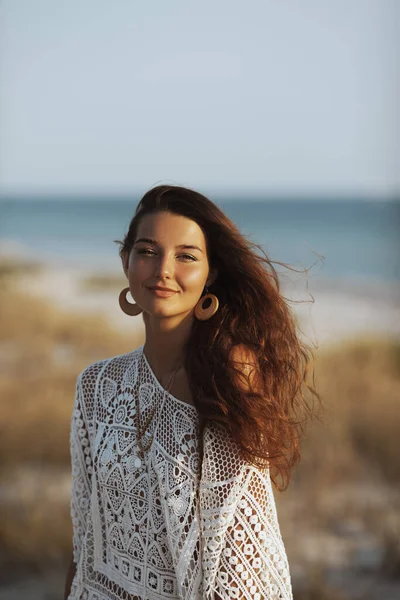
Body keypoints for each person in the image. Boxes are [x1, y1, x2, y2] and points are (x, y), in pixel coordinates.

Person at [64, 184, 317, 600]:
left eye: (186, 256)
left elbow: (238, 557)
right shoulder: (96, 386)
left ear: (210, 273)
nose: (163, 270)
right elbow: (85, 545)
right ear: (125, 260)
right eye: (147, 251)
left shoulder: (228, 375)